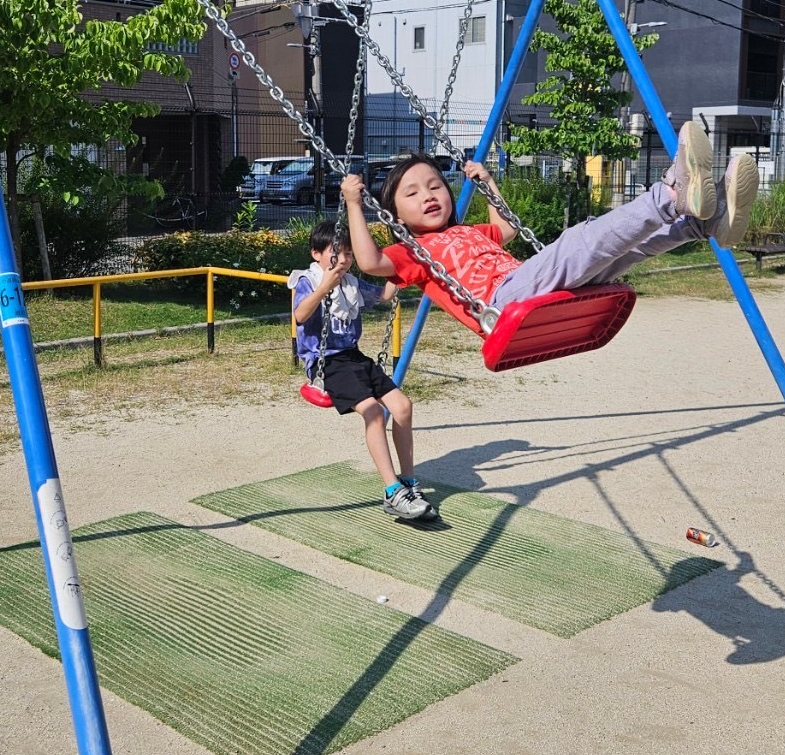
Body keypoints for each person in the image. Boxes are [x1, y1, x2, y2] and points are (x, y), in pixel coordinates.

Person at [339, 121, 759, 335]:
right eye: (412, 194)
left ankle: (699, 224)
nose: (428, 195)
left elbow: (504, 230)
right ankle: (669, 195)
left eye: (434, 185)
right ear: (393, 214)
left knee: (617, 252)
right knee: (582, 239)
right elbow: (370, 262)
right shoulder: (415, 252)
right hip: (501, 302)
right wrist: (355, 205)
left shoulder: (465, 233)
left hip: (526, 284)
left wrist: (488, 185)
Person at [289, 219, 436, 522]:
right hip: (326, 362)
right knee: (372, 412)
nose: (343, 260)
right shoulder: (307, 280)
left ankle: (409, 482)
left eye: (349, 254)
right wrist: (325, 287)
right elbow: (301, 315)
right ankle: (392, 491)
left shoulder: (352, 284)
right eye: (336, 253)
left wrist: (402, 261)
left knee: (403, 407)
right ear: (316, 253)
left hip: (354, 358)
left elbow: (385, 295)